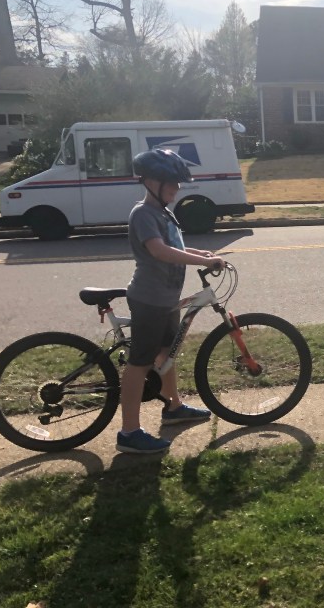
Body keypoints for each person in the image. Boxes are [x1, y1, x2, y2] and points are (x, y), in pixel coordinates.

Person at [117, 148, 224, 454]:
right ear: (151, 181)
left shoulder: (164, 212)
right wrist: (200, 261)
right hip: (149, 299)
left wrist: (200, 253)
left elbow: (174, 245)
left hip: (166, 299)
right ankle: (129, 432)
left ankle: (173, 407)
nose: (177, 188)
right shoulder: (143, 213)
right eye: (172, 182)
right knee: (139, 364)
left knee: (167, 353)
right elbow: (159, 251)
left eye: (178, 183)